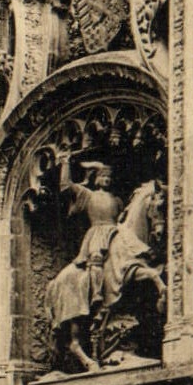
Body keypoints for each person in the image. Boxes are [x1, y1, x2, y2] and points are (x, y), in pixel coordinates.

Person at [46, 156, 123, 370]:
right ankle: (98, 292)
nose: (106, 180)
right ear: (96, 178)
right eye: (103, 176)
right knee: (97, 258)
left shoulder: (117, 200)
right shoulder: (88, 195)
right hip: (97, 235)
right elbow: (66, 186)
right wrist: (65, 163)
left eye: (109, 177)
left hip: (116, 233)